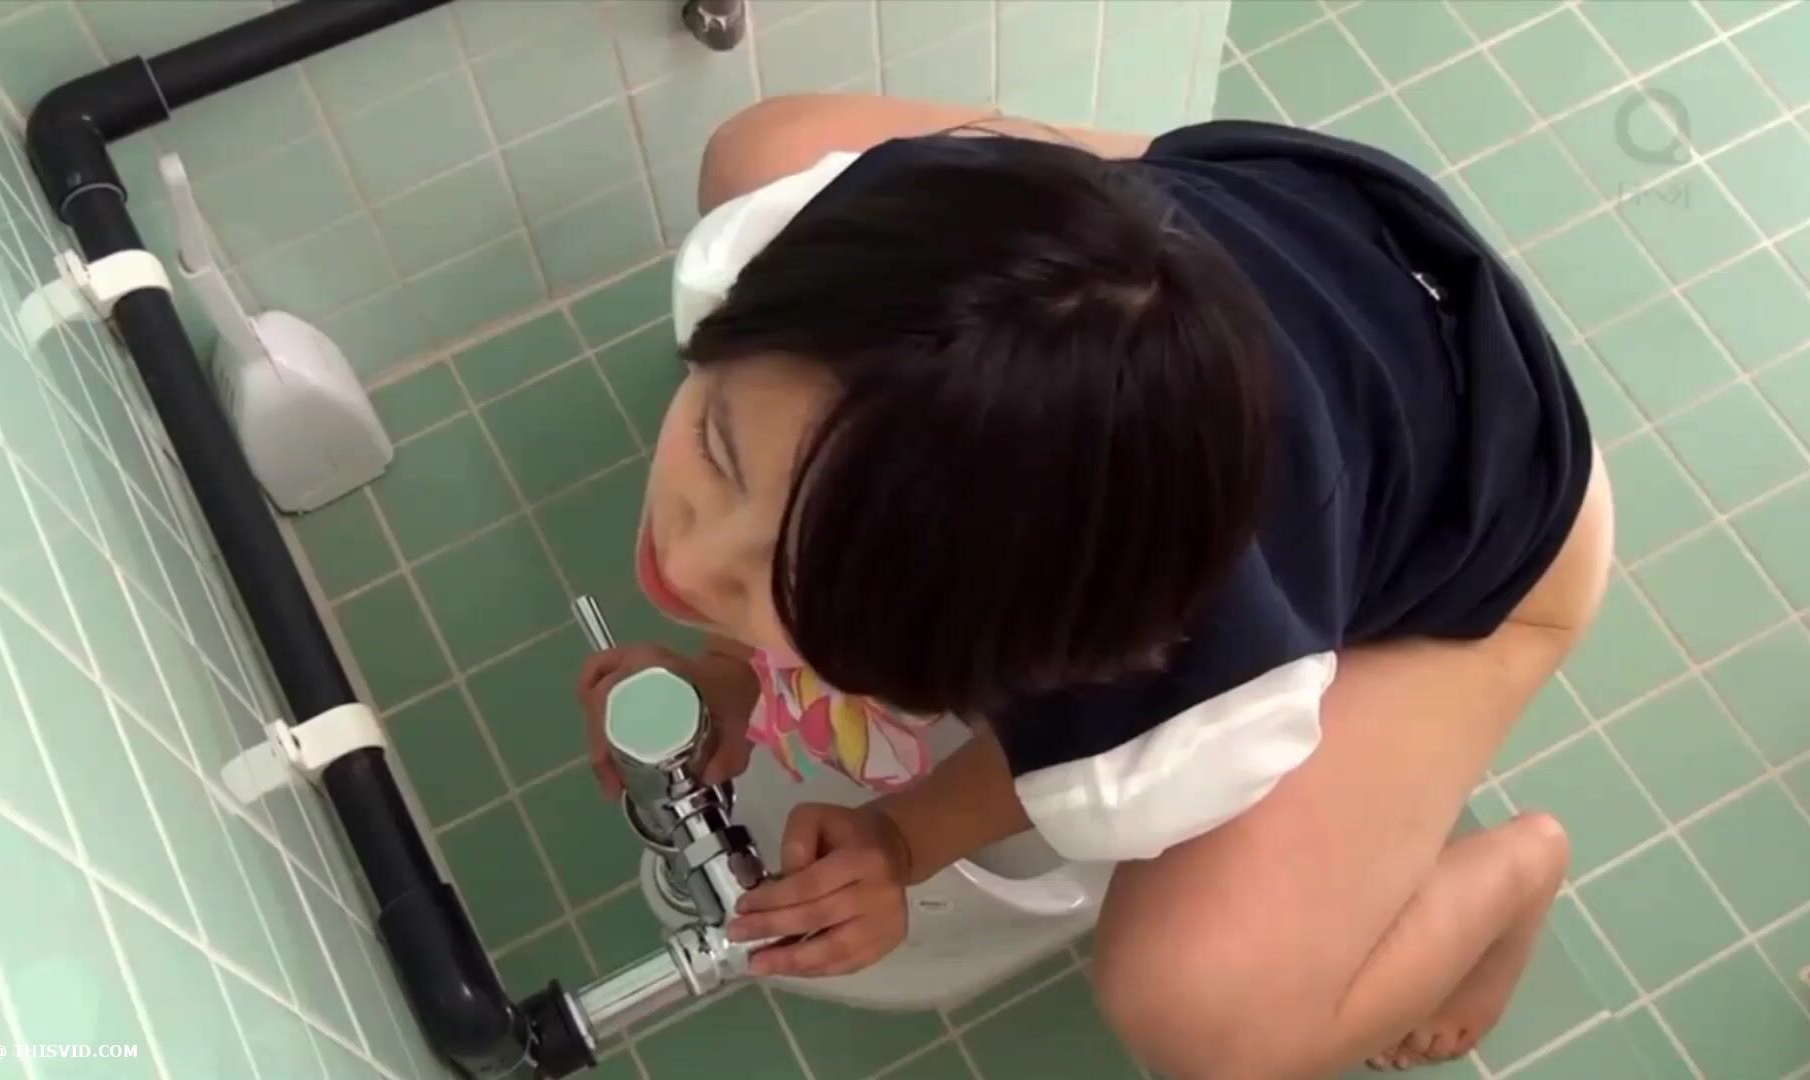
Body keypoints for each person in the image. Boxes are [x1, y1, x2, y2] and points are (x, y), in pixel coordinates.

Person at [576, 93, 1615, 1079]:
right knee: (759, 149)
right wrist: (735, 661)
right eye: (718, 444)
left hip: (1506, 514)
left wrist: (904, 837)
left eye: (790, 585)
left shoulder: (1172, 680)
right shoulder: (829, 228)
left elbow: (1075, 733)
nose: (689, 560)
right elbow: (823, 478)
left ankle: (1515, 875)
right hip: (1300, 227)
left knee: (1202, 1019)